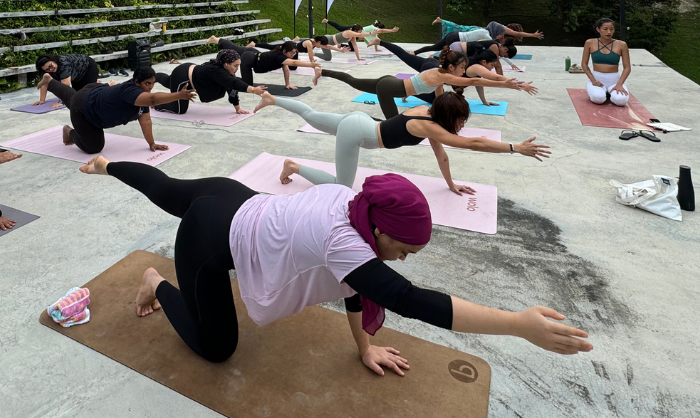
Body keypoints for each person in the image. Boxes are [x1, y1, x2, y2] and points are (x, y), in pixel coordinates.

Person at [77, 160, 591, 369]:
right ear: (380, 231)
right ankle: (156, 284)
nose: (403, 259)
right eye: (404, 250)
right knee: (218, 350)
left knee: (168, 189)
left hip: (232, 197)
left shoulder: (355, 200)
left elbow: (351, 287)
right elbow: (409, 301)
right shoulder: (344, 240)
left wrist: (364, 347)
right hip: (208, 240)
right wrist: (518, 325)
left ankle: (104, 164)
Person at [252, 90, 548, 190]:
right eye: (460, 120)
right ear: (448, 117)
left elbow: (442, 155)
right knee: (342, 186)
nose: (462, 125)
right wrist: (514, 147)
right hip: (357, 133)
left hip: (359, 122)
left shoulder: (427, 113)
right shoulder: (429, 126)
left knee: (312, 113)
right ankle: (293, 166)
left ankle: (271, 98)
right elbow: (474, 143)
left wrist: (451, 184)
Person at [314, 46, 525, 120]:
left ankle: (322, 70)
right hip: (388, 90)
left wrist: (439, 114)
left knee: (353, 81)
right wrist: (506, 84)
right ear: (452, 68)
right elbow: (475, 80)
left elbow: (439, 98)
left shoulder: (439, 75)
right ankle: (356, 116)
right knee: (390, 124)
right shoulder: (443, 75)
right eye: (462, 68)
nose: (464, 72)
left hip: (390, 82)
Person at [42, 66, 196, 154]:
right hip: (83, 110)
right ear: (136, 82)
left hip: (93, 93)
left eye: (152, 83)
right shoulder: (130, 92)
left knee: (73, 98)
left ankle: (50, 81)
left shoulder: (141, 98)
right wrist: (179, 95)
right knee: (93, 147)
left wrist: (152, 143)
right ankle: (69, 131)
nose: (150, 87)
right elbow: (153, 100)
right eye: (147, 83)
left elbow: (146, 120)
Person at [380, 40, 537, 107]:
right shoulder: (476, 68)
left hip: (432, 65)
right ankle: (404, 88)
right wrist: (519, 84)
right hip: (432, 68)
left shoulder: (474, 66)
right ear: (484, 62)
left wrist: (484, 101)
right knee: (434, 101)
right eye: (491, 65)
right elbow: (493, 78)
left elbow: (479, 84)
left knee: (405, 55)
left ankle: (380, 42)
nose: (491, 68)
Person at [153, 49, 267, 115]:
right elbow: (233, 83)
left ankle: (155, 76)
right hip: (182, 77)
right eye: (235, 65)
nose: (237, 68)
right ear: (226, 63)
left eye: (238, 65)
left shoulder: (226, 71)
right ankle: (156, 103)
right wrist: (252, 89)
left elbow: (231, 87)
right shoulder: (215, 71)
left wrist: (237, 108)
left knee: (169, 82)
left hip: (189, 71)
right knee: (179, 110)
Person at [206, 37, 318, 90]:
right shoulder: (280, 56)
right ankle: (225, 79)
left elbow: (287, 69)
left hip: (253, 54)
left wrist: (287, 84)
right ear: (285, 51)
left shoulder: (282, 56)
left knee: (236, 48)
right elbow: (293, 62)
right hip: (248, 60)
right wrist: (311, 65)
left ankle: (216, 39)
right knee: (246, 84)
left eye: (295, 53)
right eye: (292, 52)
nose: (293, 55)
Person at [413, 18, 543, 56]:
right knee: (453, 53)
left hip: (460, 34)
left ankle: (415, 52)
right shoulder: (502, 30)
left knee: (436, 46)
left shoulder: (492, 30)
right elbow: (518, 34)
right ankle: (434, 57)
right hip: (459, 38)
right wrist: (533, 35)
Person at [580, 17, 630, 106]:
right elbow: (584, 64)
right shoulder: (590, 43)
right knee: (598, 99)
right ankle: (602, 93)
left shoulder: (621, 45)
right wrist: (593, 80)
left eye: (611, 29)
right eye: (605, 29)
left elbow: (627, 68)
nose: (609, 32)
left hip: (614, 79)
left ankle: (610, 94)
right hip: (597, 79)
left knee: (621, 101)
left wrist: (619, 84)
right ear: (598, 29)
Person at [33, 53, 107, 106]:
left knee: (87, 95)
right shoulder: (47, 71)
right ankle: (95, 82)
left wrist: (62, 102)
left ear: (53, 60)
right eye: (47, 69)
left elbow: (65, 85)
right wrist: (42, 100)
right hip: (76, 75)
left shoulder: (63, 63)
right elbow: (44, 83)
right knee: (77, 96)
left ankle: (107, 84)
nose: (51, 69)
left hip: (88, 68)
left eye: (51, 66)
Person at [322, 18, 400, 53]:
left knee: (352, 48)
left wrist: (376, 49)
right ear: (378, 28)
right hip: (353, 31)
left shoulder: (374, 31)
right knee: (339, 28)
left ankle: (340, 44)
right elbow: (382, 31)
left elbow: (376, 38)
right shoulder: (373, 28)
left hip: (356, 37)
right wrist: (392, 30)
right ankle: (327, 21)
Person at [251, 36, 348, 63]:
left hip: (295, 51)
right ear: (318, 43)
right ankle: (254, 44)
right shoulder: (309, 43)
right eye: (321, 45)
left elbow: (328, 46)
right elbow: (310, 55)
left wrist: (340, 50)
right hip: (290, 47)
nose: (322, 47)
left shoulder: (316, 42)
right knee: (271, 47)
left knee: (293, 67)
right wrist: (312, 63)